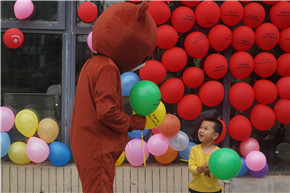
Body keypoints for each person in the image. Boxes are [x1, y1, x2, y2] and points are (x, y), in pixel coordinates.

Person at [70, 2, 157, 193]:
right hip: (97, 145)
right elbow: (106, 111)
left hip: (88, 143)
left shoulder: (93, 63)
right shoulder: (108, 67)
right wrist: (133, 122)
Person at [188, 117, 223, 193]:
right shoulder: (194, 149)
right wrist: (200, 169)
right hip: (195, 189)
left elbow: (221, 172)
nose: (201, 130)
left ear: (215, 136)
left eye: (206, 129)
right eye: (201, 127)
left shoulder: (219, 152)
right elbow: (191, 167)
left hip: (214, 190)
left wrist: (213, 170)